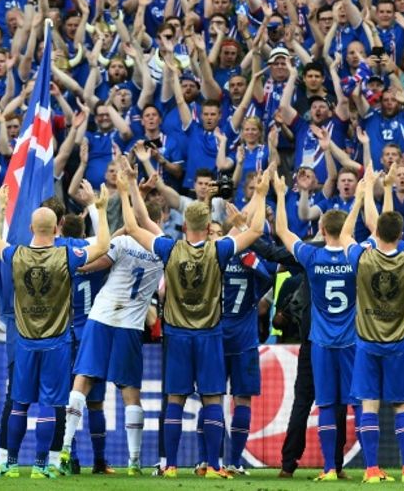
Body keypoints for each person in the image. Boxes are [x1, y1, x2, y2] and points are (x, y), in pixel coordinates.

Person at [118, 168, 267, 478]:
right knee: (213, 398)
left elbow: (132, 226)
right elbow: (254, 233)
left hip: (177, 335)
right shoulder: (219, 249)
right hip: (210, 334)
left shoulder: (169, 249)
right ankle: (214, 465)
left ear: (185, 225)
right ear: (208, 226)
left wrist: (126, 188)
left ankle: (170, 466)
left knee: (175, 398)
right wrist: (261, 194)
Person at [0, 187, 111, 479]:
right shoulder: (66, 254)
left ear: (31, 227)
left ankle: (10, 463)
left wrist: (0, 207)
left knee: (19, 402)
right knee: (50, 403)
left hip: (25, 342)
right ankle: (42, 464)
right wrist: (102, 209)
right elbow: (104, 246)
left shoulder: (16, 254)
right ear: (57, 228)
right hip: (57, 342)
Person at [60, 168, 166, 476]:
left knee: (83, 379)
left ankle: (66, 447)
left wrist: (72, 267)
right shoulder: (163, 249)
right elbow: (144, 225)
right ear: (160, 220)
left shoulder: (122, 245)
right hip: (131, 325)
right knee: (130, 390)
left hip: (102, 317)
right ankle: (134, 461)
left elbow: (96, 263)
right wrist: (133, 188)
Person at [272, 166, 365, 481]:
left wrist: (281, 193)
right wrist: (364, 197)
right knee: (341, 404)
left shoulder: (312, 256)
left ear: (323, 229)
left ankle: (288, 464)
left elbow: (283, 232)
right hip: (349, 342)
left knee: (305, 402)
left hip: (316, 343)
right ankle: (335, 466)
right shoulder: (356, 258)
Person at [347, 171, 404, 484]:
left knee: (369, 404)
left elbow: (346, 236)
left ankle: (371, 470)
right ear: (400, 234)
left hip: (367, 341)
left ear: (376, 234)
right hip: (400, 342)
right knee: (403, 405)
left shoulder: (363, 257)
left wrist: (360, 199)